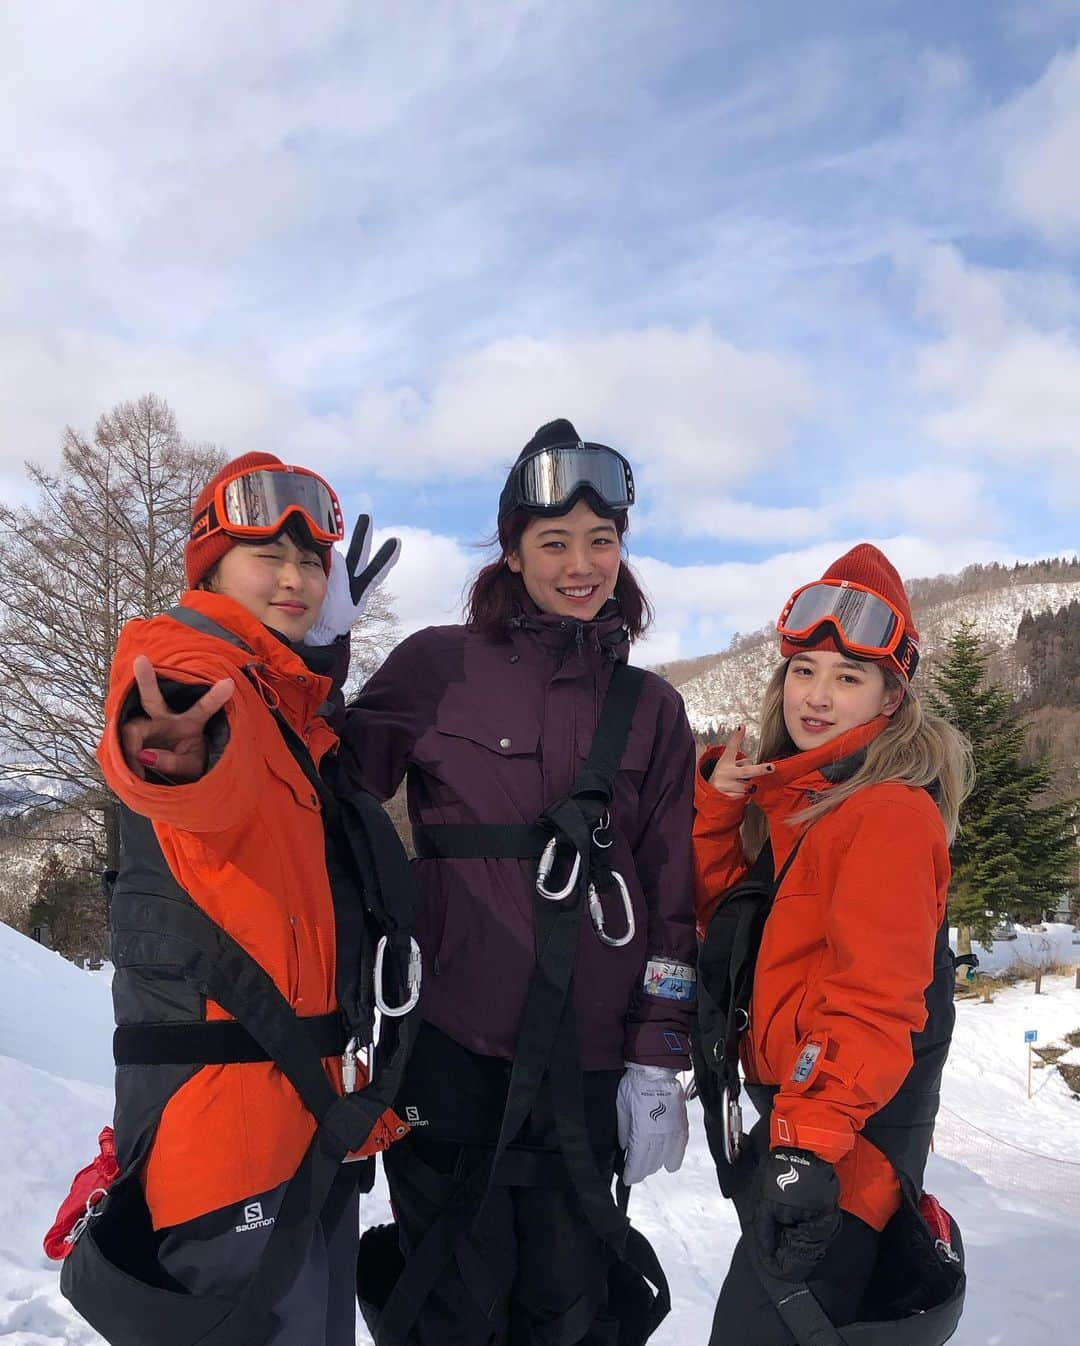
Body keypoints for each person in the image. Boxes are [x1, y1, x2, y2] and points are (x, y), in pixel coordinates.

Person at [329, 419, 698, 1345]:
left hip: (588, 1057)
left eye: (601, 540)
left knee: (570, 1305)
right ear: (512, 550)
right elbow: (326, 790)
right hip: (449, 1044)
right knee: (450, 1296)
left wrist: (658, 1056)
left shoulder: (651, 709)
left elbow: (671, 894)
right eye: (555, 542)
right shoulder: (437, 663)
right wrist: (311, 660)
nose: (581, 564)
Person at [89, 452, 408, 1346]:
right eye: (268, 555)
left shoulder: (282, 707)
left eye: (312, 562)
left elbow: (290, 766)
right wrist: (168, 751)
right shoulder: (185, 664)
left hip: (303, 1132)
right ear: (210, 568)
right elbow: (186, 757)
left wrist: (326, 659)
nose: (297, 577)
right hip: (229, 1155)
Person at [693, 544, 973, 1346]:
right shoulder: (807, 803)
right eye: (804, 671)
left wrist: (807, 1146)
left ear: (892, 694)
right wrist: (719, 811)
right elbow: (730, 925)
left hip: (844, 1144)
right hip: (810, 1133)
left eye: (848, 678)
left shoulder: (883, 813)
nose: (817, 697)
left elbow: (874, 995)